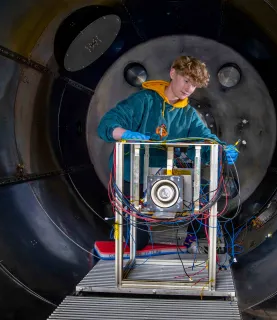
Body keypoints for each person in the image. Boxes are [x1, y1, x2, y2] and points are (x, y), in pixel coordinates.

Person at [98, 55, 238, 250]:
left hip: (166, 175)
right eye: (186, 80)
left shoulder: (189, 114)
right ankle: (123, 228)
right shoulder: (144, 100)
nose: (189, 88)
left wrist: (222, 149)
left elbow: (205, 138)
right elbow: (107, 123)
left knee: (206, 192)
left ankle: (192, 238)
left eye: (194, 85)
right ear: (173, 73)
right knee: (137, 243)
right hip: (133, 175)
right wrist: (125, 134)